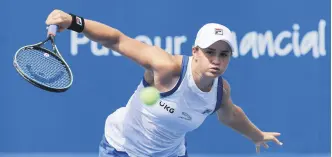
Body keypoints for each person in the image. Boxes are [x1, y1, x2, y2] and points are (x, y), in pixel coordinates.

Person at [46, 9, 283, 157]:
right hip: (122, 149)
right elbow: (117, 40)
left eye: (224, 54)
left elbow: (230, 114)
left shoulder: (220, 90)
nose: (216, 60)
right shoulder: (167, 68)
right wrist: (75, 21)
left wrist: (257, 135)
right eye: (210, 52)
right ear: (195, 51)